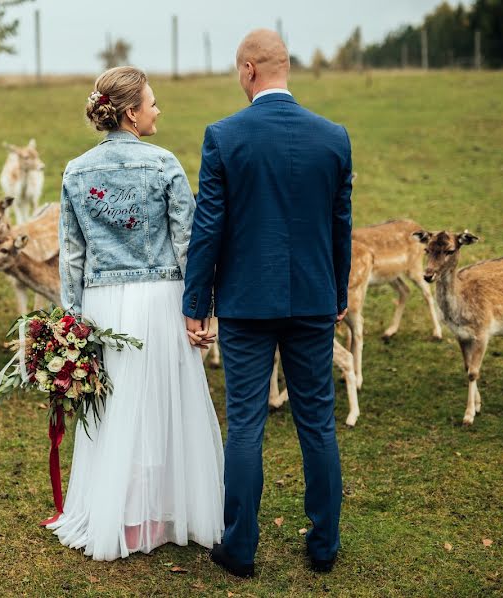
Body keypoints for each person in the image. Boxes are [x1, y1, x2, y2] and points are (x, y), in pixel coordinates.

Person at [183, 29, 353, 577]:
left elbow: (208, 226)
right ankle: (324, 545)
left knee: (246, 425)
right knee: (317, 423)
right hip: (312, 299)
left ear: (250, 70)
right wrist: (339, 291)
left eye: (239, 71)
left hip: (244, 303)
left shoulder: (224, 137)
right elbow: (339, 226)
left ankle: (240, 547)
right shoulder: (333, 137)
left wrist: (196, 301)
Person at [50, 66, 224, 561]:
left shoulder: (75, 170)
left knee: (116, 411)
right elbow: (189, 244)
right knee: (162, 407)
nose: (157, 109)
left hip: (104, 304)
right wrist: (200, 309)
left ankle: (121, 517)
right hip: (159, 300)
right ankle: (165, 513)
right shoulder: (165, 163)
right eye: (152, 102)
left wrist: (73, 323)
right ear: (130, 113)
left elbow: (72, 254)